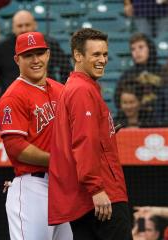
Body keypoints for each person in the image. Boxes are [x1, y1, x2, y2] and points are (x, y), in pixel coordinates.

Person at [48, 28, 132, 240]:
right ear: (78, 55)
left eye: (104, 54)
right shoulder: (81, 90)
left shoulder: (79, 87)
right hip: (102, 197)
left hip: (86, 199)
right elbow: (84, 142)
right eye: (96, 54)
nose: (102, 60)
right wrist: (96, 189)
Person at [0, 31, 73, 240]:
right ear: (17, 59)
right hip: (33, 187)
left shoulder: (61, 90)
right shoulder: (12, 97)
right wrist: (59, 159)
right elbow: (16, 148)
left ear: (48, 54)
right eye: (28, 55)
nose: (36, 60)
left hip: (61, 186)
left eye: (39, 53)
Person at [0, 10, 72, 103]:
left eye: (27, 25)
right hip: (13, 102)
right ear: (13, 28)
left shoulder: (49, 44)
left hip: (46, 101)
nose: (24, 29)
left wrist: (61, 90)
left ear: (35, 25)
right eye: (20, 26)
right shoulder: (2, 47)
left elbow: (66, 69)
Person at [114, 32, 167, 127]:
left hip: (161, 120)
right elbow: (118, 100)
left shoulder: (163, 72)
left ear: (150, 49)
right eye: (133, 49)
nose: (137, 52)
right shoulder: (127, 75)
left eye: (141, 47)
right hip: (137, 121)